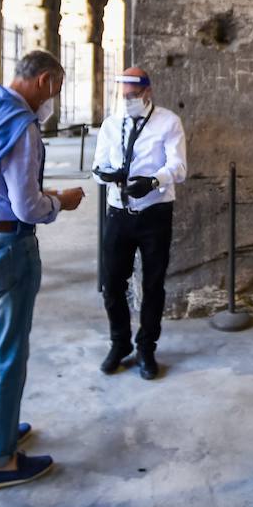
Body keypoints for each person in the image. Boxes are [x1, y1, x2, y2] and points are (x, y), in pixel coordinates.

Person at [0, 50, 84, 491]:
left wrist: (33, 194)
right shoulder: (23, 127)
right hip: (6, 246)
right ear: (45, 80)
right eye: (57, 91)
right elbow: (26, 206)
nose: (54, 102)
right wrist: (59, 202)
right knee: (9, 354)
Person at [92, 67, 187, 380]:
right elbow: (97, 166)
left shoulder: (168, 122)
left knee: (153, 284)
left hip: (154, 213)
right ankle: (119, 343)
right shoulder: (110, 124)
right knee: (112, 283)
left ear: (147, 92)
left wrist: (153, 180)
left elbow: (178, 166)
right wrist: (106, 175)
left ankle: (147, 346)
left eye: (133, 96)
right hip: (118, 213)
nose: (128, 101)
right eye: (124, 96)